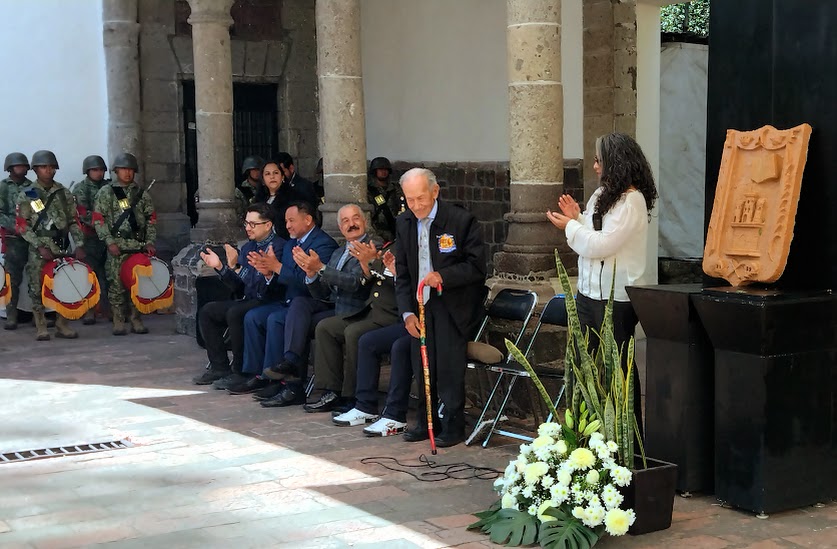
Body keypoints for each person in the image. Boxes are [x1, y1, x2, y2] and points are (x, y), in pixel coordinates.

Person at [546, 132, 658, 432]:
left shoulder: (632, 200)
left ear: (616, 162)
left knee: (617, 371)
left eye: (599, 161)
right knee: (585, 367)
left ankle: (626, 441)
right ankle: (589, 439)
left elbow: (601, 246)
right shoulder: (602, 194)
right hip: (587, 293)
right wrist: (578, 219)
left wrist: (570, 225)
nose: (595, 167)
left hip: (616, 299)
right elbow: (593, 234)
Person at [394, 167, 487, 447]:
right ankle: (426, 422)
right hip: (419, 305)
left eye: (421, 198)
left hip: (451, 305)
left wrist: (443, 276)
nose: (416, 206)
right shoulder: (404, 222)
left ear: (435, 192)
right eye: (410, 200)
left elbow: (476, 267)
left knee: (447, 367)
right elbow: (403, 273)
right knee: (422, 365)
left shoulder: (460, 220)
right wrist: (406, 312)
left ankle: (452, 425)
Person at [229, 202, 337, 401]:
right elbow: (285, 279)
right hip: (290, 299)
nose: (287, 225)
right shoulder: (290, 244)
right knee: (253, 316)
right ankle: (258, 374)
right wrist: (269, 273)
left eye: (291, 220)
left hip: (314, 301)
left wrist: (277, 268)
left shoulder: (323, 243)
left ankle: (276, 379)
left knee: (276, 319)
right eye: (286, 221)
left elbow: (309, 283)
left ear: (307, 219)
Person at [280, 204, 377, 412]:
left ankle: (350, 395)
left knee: (330, 328)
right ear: (340, 228)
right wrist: (312, 274)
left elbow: (356, 284)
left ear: (365, 221)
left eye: (356, 219)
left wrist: (321, 268)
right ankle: (326, 390)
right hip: (340, 310)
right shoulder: (339, 251)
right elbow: (323, 293)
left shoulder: (372, 247)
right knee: (314, 324)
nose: (351, 224)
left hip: (362, 311)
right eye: (345, 221)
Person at [192, 203, 286, 385]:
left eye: (253, 224)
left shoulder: (278, 247)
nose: (248, 228)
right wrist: (220, 267)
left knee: (236, 313)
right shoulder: (248, 247)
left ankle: (242, 370)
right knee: (208, 310)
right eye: (246, 223)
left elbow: (262, 285)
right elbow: (239, 286)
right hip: (250, 298)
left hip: (269, 299)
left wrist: (236, 267)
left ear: (268, 225)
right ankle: (219, 366)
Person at [325, 245, 410, 426]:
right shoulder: (391, 247)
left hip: (403, 317)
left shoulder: (415, 250)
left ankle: (393, 413)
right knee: (366, 341)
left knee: (393, 345)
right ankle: (364, 406)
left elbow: (411, 286)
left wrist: (388, 270)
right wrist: (368, 265)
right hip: (375, 312)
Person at [15, 150, 86, 340]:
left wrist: (79, 244)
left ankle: (62, 324)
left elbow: (74, 221)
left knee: (64, 285)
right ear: (35, 170)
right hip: (40, 248)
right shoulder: (28, 194)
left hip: (62, 246)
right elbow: (23, 225)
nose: (48, 170)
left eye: (51, 167)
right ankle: (41, 325)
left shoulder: (63, 193)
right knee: (36, 287)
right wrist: (39, 246)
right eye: (43, 167)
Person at [92, 152, 157, 336]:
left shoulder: (141, 194)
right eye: (123, 169)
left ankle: (136, 318)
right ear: (116, 171)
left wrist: (150, 241)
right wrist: (109, 241)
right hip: (117, 247)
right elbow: (99, 219)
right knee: (116, 285)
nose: (127, 173)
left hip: (137, 246)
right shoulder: (106, 192)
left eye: (130, 170)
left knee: (138, 285)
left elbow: (151, 219)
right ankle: (118, 320)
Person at [73, 155, 110, 325]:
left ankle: (109, 310)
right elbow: (82, 213)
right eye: (95, 170)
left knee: (109, 275)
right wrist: (101, 222)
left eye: (101, 170)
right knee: (89, 275)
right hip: (90, 237)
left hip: (109, 237)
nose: (99, 173)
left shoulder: (110, 187)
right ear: (87, 171)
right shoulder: (81, 189)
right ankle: (89, 310)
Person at [0, 152, 33, 330]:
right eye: (17, 166)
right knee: (12, 278)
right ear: (10, 168)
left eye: (23, 165)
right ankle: (11, 315)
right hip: (14, 239)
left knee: (35, 277)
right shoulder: (4, 187)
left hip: (31, 238)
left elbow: (38, 209)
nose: (21, 168)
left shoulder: (31, 187)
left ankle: (37, 314)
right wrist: (14, 227)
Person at [366, 156, 404, 243]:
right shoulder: (370, 190)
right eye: (380, 169)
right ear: (374, 171)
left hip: (394, 229)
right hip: (376, 232)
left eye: (386, 169)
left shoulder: (395, 189)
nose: (383, 172)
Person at [234, 155, 263, 220]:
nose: (257, 172)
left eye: (259, 170)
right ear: (248, 171)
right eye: (254, 170)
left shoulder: (266, 188)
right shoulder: (240, 191)